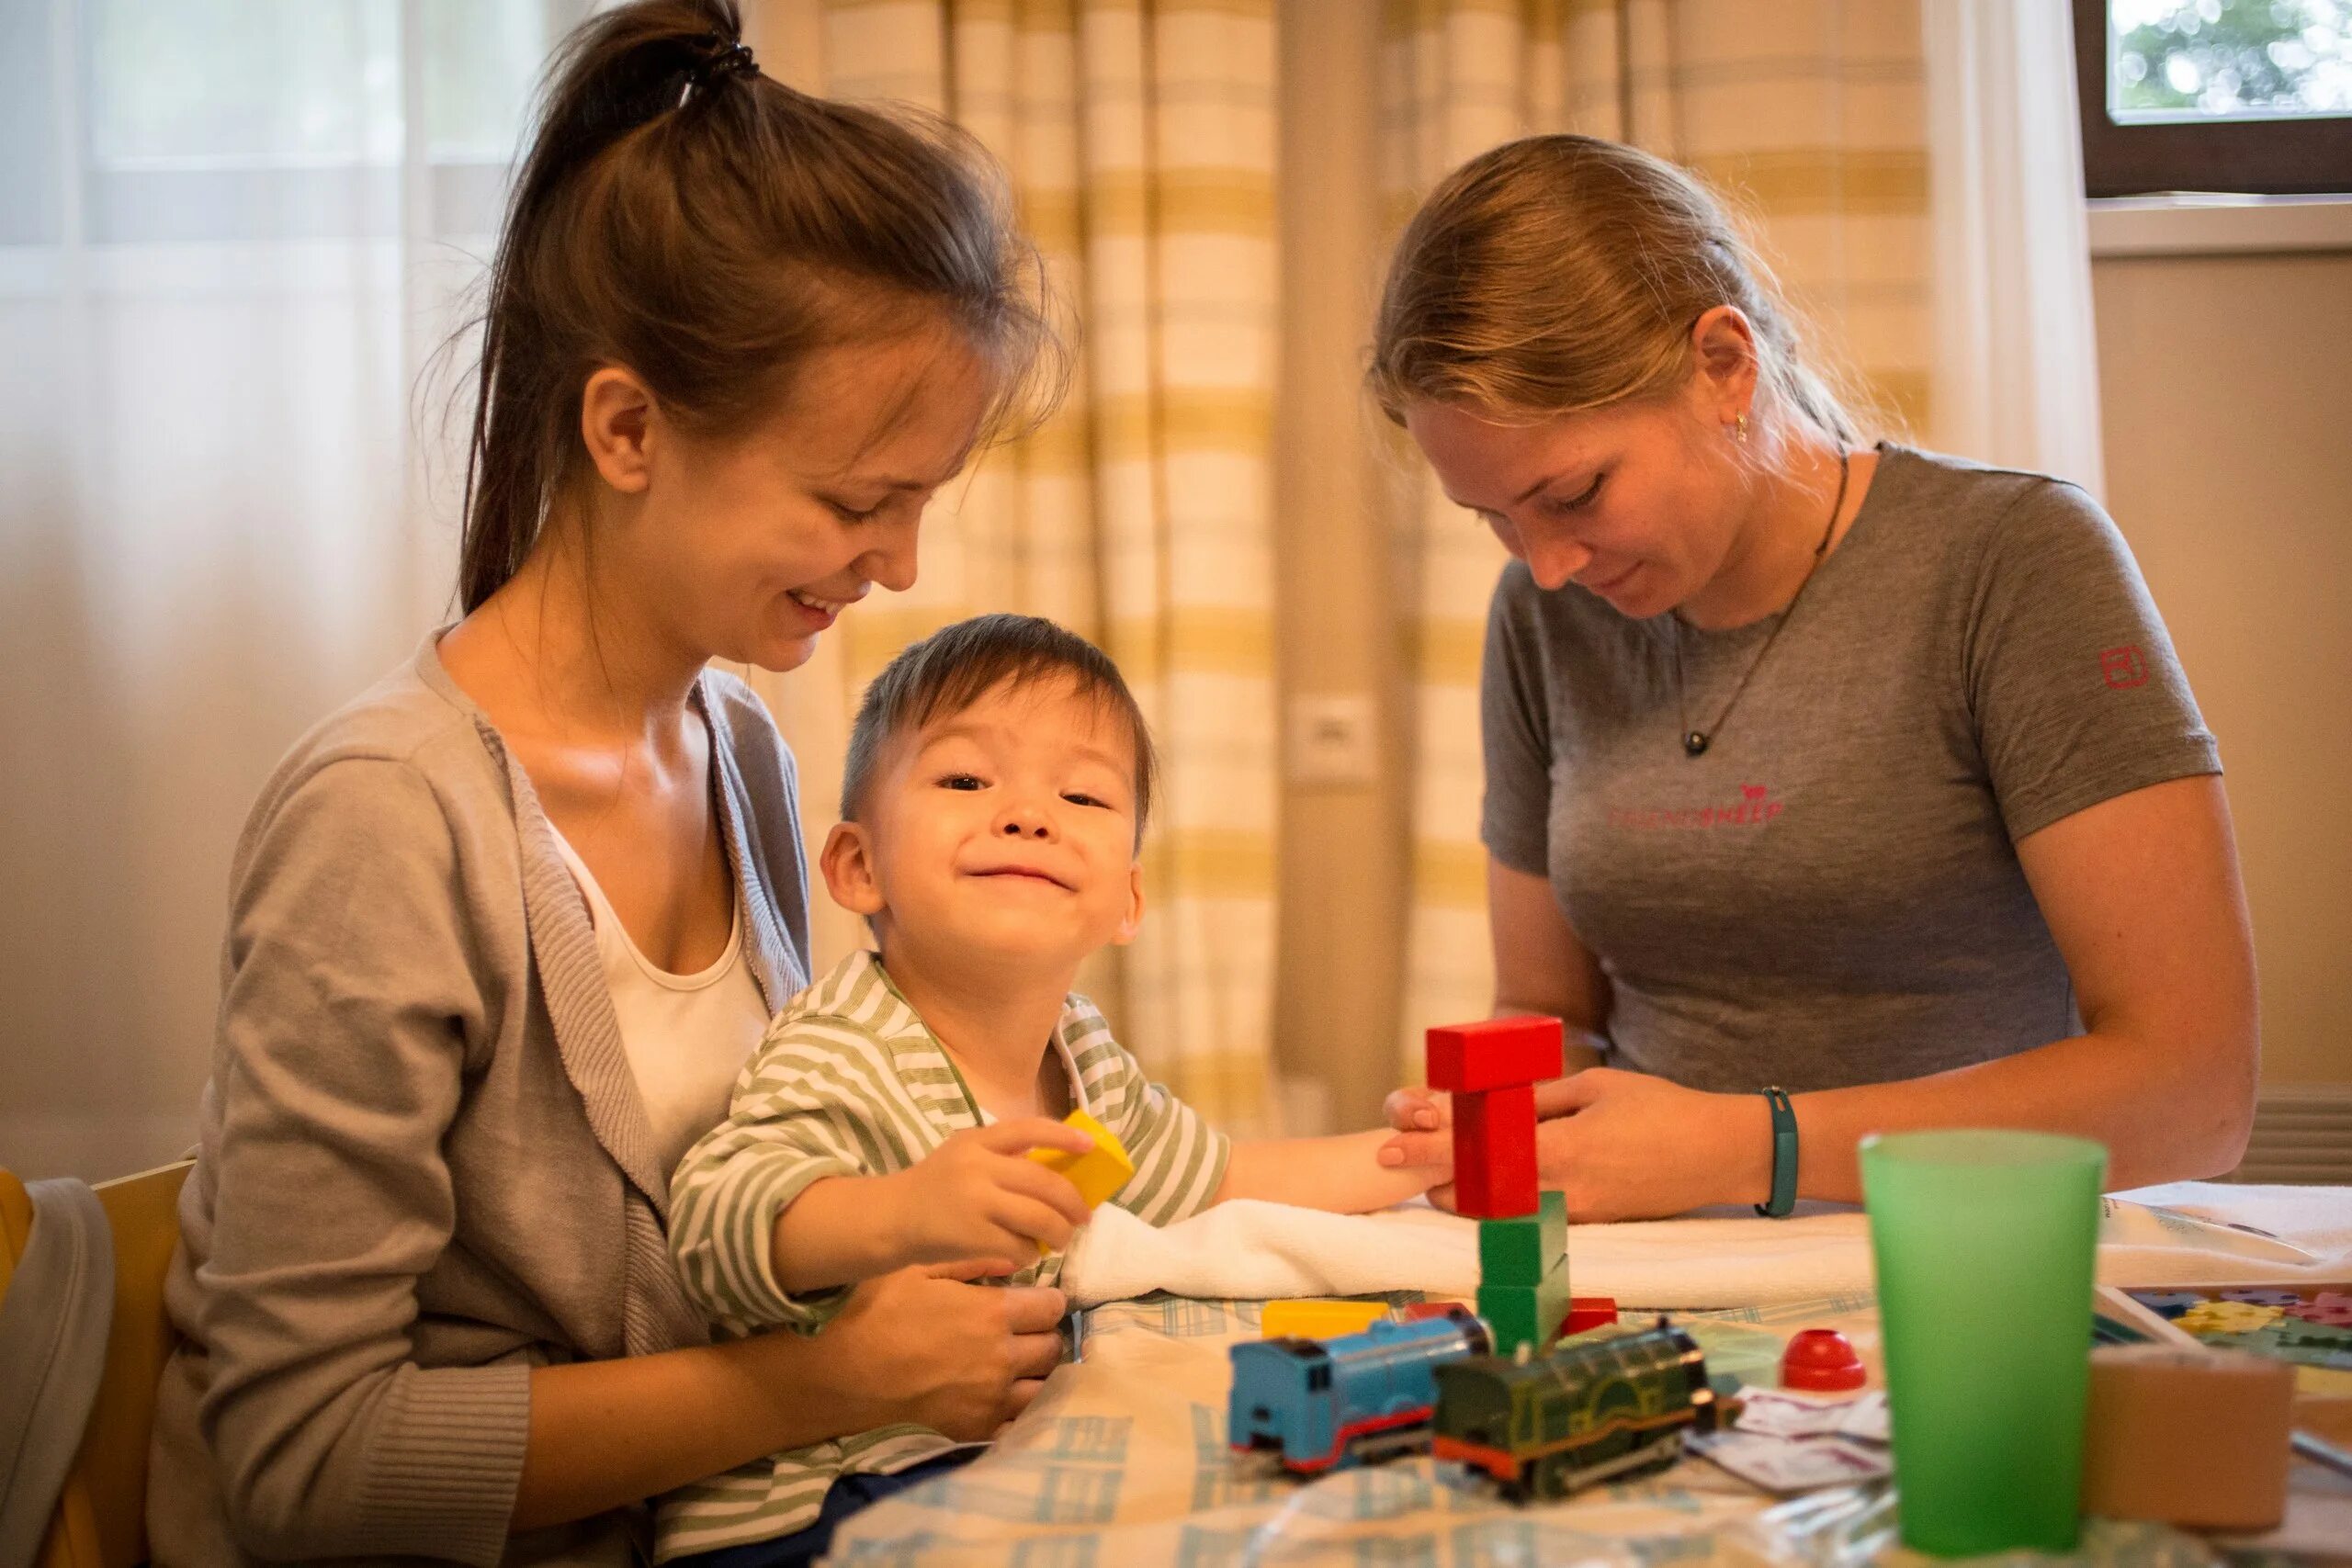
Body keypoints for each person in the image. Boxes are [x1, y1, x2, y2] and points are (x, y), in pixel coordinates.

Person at [148, 4, 1076, 1562]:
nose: (903, 565)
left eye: (921, 504)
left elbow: (736, 1207)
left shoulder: (745, 756)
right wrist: (821, 1379)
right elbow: (308, 1461)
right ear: (629, 427)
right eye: (859, 500)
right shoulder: (387, 820)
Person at [1365, 135, 2258, 1224]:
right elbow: (1549, 1008)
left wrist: (1753, 1148)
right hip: (1660, 1254)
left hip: (1969, 1246)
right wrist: (1493, 1128)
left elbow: (2194, 1093)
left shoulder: (2012, 561)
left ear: (1723, 365)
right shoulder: (1545, 619)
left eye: (1577, 492)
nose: (1545, 563)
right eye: (1491, 519)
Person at [657, 615, 1450, 1565]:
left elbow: (1225, 1176)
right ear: (859, 867)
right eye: (964, 780)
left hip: (967, 1472)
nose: (1028, 814)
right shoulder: (841, 1047)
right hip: (803, 1504)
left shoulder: (1087, 1061)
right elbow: (712, 1224)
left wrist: (1420, 1153)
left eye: (1080, 794)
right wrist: (901, 1210)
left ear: (1127, 900)